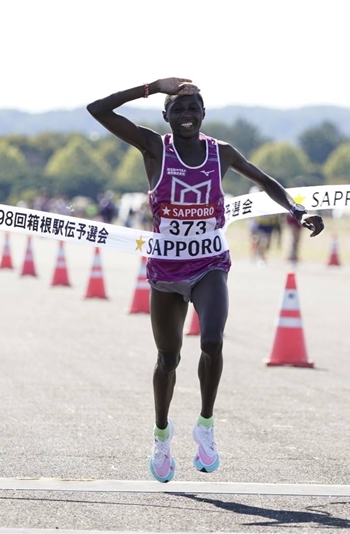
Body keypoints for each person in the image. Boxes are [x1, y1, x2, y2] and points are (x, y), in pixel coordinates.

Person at [87, 77, 324, 483]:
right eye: (177, 109)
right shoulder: (153, 147)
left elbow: (266, 183)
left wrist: (297, 211)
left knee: (212, 340)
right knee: (169, 358)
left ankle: (206, 426)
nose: (186, 116)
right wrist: (151, 86)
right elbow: (98, 110)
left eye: (193, 108)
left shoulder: (222, 154)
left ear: (203, 113)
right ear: (165, 115)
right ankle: (162, 435)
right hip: (166, 269)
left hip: (209, 263)